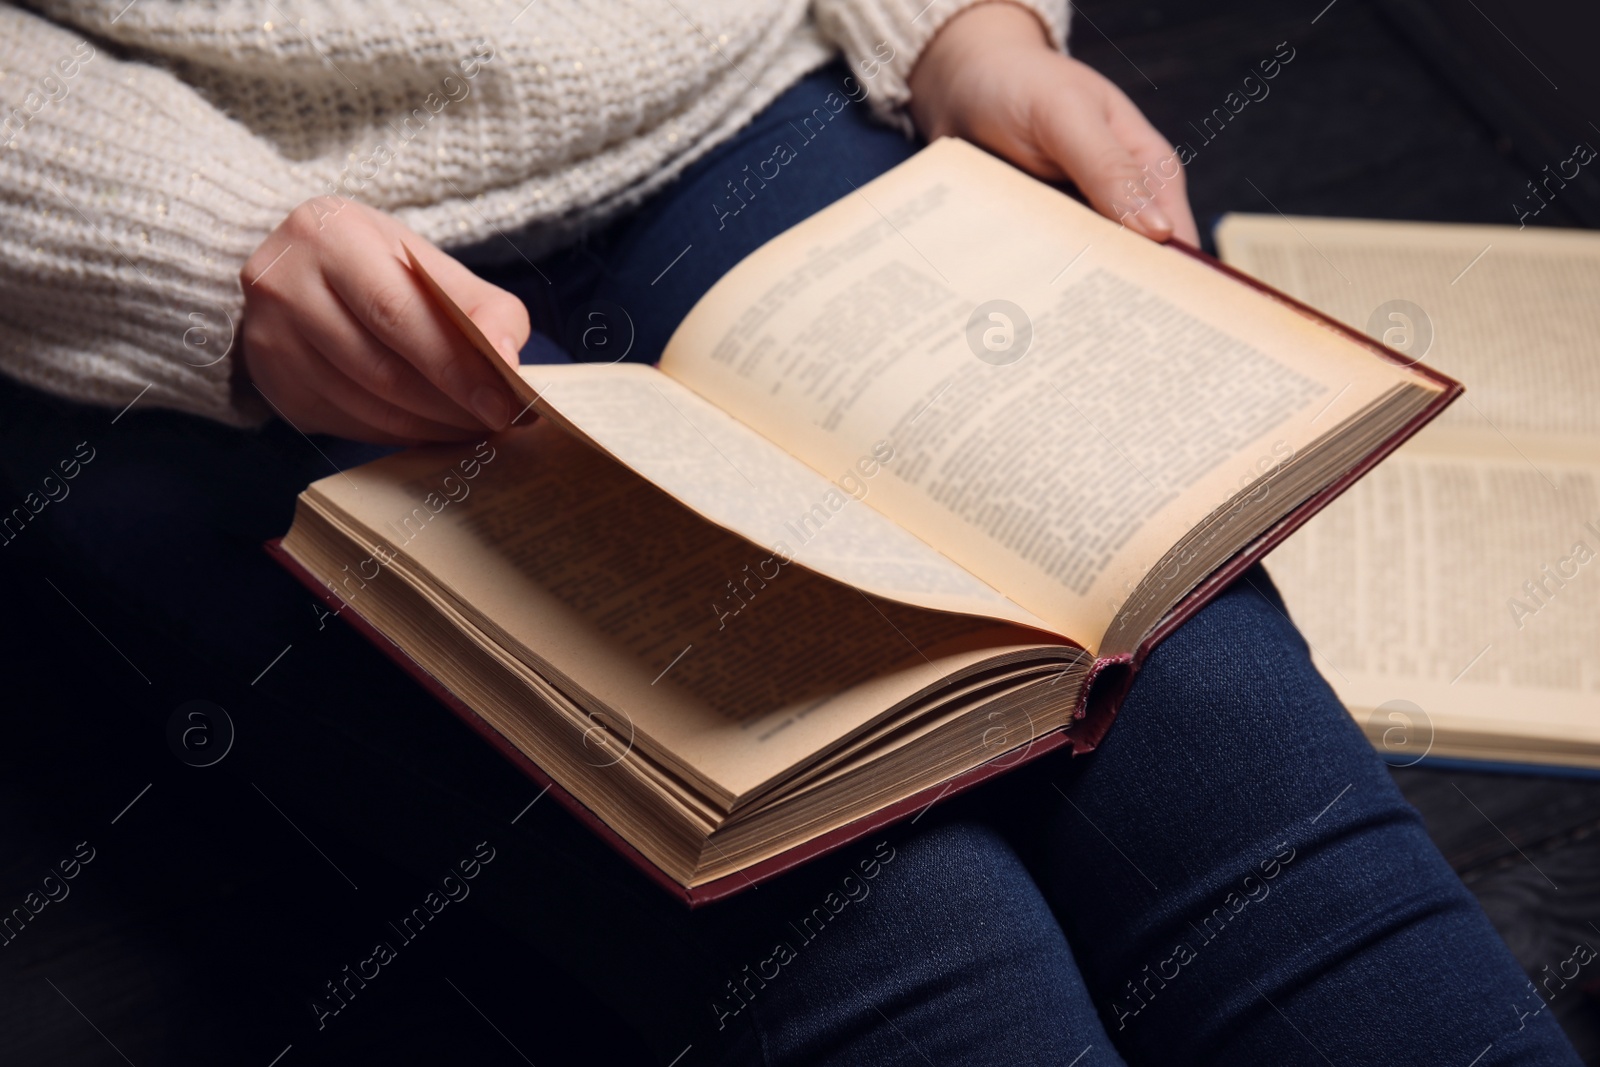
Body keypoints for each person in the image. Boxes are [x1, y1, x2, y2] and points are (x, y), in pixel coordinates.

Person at [0, 1, 1580, 1063]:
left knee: (1245, 776)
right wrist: (195, 257)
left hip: (752, 104)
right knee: (896, 925)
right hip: (205, 281)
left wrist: (956, 23)